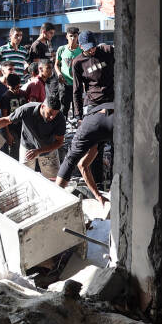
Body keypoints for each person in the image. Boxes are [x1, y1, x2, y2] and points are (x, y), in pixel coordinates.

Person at [55, 32, 115, 204]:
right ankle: (61, 192)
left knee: (110, 148)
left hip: (112, 103)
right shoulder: (78, 62)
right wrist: (79, 116)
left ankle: (110, 186)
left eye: (94, 46)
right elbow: (76, 90)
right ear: (81, 48)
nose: (92, 51)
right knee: (84, 151)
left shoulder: (107, 50)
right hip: (93, 106)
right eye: (88, 49)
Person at [0, 91, 67, 178]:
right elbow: (7, 120)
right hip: (27, 147)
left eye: (55, 115)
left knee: (53, 180)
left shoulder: (59, 118)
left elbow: (59, 142)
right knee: (25, 178)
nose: (52, 117)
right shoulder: (26, 109)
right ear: (43, 106)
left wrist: (39, 151)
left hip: (48, 150)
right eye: (49, 113)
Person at [55, 28, 84, 119]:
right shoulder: (61, 49)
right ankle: (63, 129)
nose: (73, 38)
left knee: (78, 109)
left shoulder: (81, 50)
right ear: (67, 36)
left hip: (77, 84)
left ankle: (78, 128)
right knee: (64, 108)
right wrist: (59, 74)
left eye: (75, 36)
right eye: (71, 36)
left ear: (78, 37)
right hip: (64, 84)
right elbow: (56, 64)